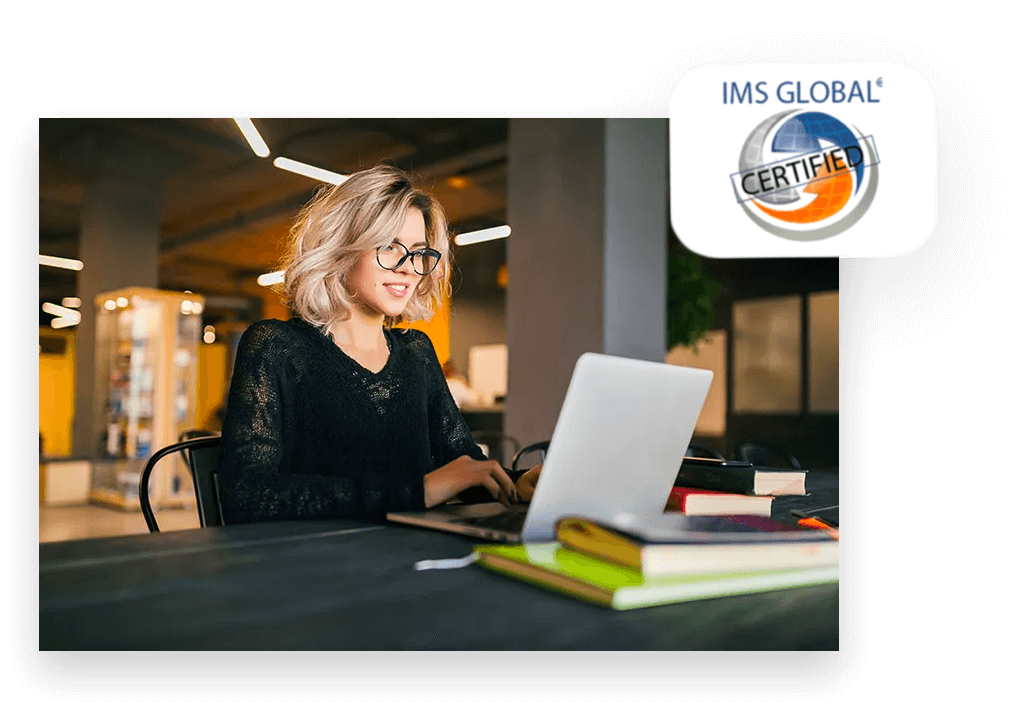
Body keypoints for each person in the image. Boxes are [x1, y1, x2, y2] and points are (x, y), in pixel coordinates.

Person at [218, 165, 541, 524]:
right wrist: (418, 491)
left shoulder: (417, 352)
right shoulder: (277, 347)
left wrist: (518, 482)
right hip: (317, 566)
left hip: (419, 560)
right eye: (389, 246)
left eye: (419, 252)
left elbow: (463, 468)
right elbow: (248, 496)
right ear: (342, 249)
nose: (408, 267)